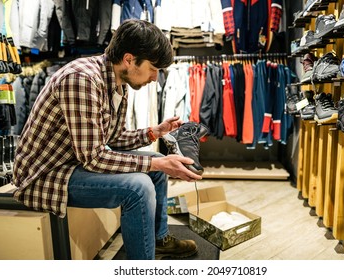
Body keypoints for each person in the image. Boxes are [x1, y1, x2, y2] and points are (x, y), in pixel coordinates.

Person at [12, 19, 202, 260]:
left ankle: (157, 239)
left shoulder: (115, 81)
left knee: (157, 161)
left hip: (75, 162)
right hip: (46, 174)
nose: (155, 78)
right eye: (153, 68)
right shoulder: (81, 79)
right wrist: (156, 164)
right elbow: (94, 158)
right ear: (129, 59)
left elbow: (114, 138)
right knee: (139, 187)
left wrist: (155, 131)